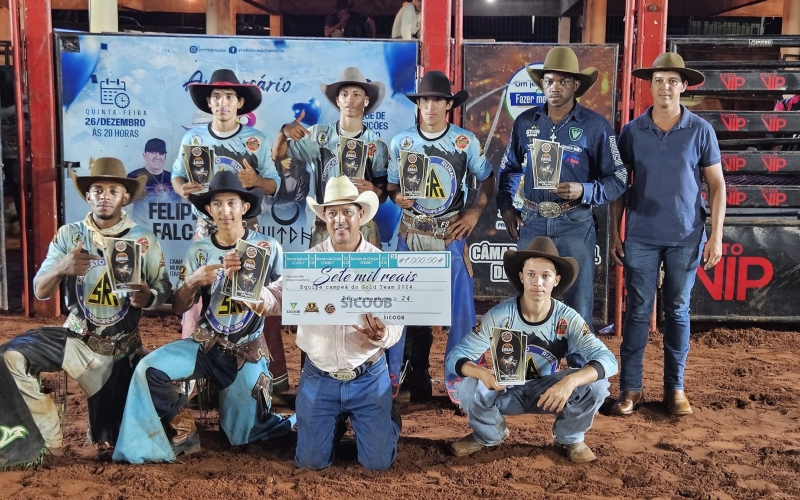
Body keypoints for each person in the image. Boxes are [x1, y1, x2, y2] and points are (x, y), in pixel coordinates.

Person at [0, 157, 171, 467]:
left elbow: (163, 291)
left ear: (125, 197)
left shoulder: (143, 239)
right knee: (9, 355)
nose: (104, 196)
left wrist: (147, 297)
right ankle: (45, 432)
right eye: (98, 190)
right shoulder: (69, 235)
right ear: (88, 196)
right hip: (75, 339)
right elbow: (40, 290)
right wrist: (63, 267)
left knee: (128, 441)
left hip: (121, 350)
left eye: (113, 190)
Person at [113, 171, 294, 463]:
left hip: (244, 350)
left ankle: (282, 417)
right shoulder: (199, 250)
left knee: (242, 435)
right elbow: (178, 308)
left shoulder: (268, 248)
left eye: (232, 203)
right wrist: (192, 282)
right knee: (148, 369)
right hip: (204, 344)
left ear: (244, 207)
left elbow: (286, 300)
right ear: (208, 209)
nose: (225, 211)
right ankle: (182, 425)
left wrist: (258, 291)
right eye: (217, 204)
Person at [258, 176, 402, 471]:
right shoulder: (309, 262)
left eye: (347, 212)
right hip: (319, 377)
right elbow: (276, 298)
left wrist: (382, 334)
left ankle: (387, 419)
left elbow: (397, 325)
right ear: (324, 217)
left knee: (377, 464)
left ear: (360, 215)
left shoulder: (382, 263)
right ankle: (331, 424)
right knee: (310, 462)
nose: (339, 220)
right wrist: (251, 293)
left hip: (368, 376)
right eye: (332, 213)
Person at [609, 53, 725, 417]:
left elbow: (718, 185)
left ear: (684, 86)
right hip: (641, 234)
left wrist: (717, 235)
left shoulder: (700, 130)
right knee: (637, 313)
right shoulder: (631, 131)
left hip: (687, 235)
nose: (665, 87)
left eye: (672, 81)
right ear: (651, 85)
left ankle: (675, 389)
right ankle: (631, 388)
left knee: (677, 312)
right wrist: (615, 231)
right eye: (659, 80)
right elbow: (619, 186)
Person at [446, 237, 617, 463]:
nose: (538, 282)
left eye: (545, 276)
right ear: (521, 276)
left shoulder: (567, 319)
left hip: (547, 394)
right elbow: (454, 358)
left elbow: (609, 361)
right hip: (505, 391)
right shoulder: (499, 315)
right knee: (468, 385)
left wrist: (571, 381)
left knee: (597, 385)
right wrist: (482, 373)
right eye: (531, 274)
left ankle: (570, 437)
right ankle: (488, 434)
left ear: (556, 280)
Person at [170, 69, 286, 392]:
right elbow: (177, 176)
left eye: (229, 98)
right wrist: (182, 189)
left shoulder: (256, 140)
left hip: (247, 228)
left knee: (259, 296)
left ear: (240, 103)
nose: (223, 103)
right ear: (209, 102)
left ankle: (270, 374)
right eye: (217, 97)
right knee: (196, 294)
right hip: (206, 227)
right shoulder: (194, 139)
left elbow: (273, 185)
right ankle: (191, 378)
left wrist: (256, 183)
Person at [497, 47, 627, 330]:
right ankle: (531, 369)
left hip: (574, 222)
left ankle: (581, 370)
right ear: (542, 83)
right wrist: (507, 207)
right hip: (532, 221)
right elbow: (508, 169)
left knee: (578, 304)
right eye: (550, 81)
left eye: (563, 81)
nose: (555, 87)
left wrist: (585, 190)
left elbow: (618, 178)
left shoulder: (596, 127)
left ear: (576, 85)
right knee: (528, 302)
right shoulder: (525, 122)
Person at [387, 70, 495, 403]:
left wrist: (474, 213)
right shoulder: (402, 142)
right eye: (424, 100)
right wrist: (396, 198)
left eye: (437, 100)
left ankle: (458, 379)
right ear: (417, 105)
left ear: (449, 105)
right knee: (398, 307)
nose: (430, 106)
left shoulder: (464, 142)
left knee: (461, 311)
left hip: (449, 233)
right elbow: (392, 186)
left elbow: (487, 179)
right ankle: (393, 377)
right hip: (411, 233)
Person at [273, 67, 389, 248]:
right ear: (337, 100)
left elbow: (383, 194)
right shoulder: (318, 135)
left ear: (366, 100)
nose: (350, 99)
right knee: (321, 276)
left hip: (363, 227)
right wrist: (283, 132)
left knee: (366, 277)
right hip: (325, 225)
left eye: (356, 94)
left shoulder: (376, 144)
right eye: (345, 94)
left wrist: (374, 190)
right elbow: (278, 154)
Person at [127, 138, 178, 203]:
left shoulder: (174, 179)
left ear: (165, 157)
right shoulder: (133, 177)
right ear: (144, 155)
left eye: (161, 153)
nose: (157, 157)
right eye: (153, 152)